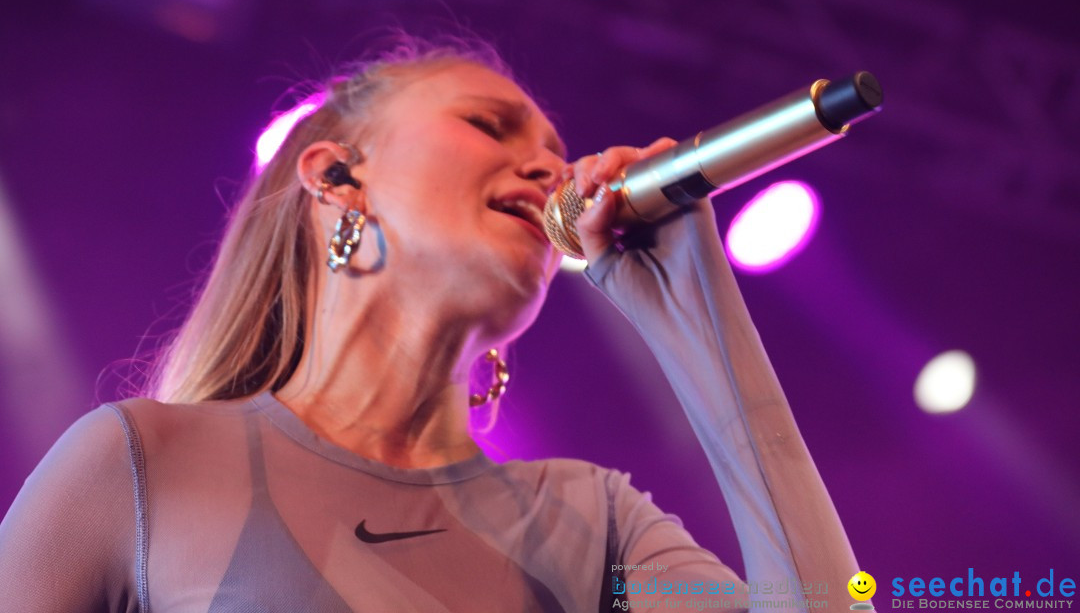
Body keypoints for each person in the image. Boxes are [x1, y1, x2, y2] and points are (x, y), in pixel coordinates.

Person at [0, 36, 862, 612]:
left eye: (558, 155)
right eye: (488, 126)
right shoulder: (143, 464)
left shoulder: (593, 521)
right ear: (337, 176)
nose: (549, 167)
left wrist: (692, 312)